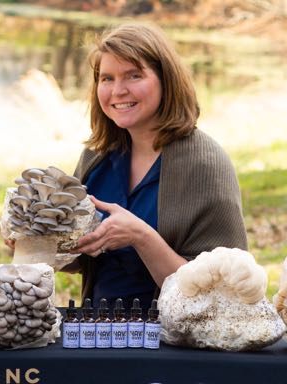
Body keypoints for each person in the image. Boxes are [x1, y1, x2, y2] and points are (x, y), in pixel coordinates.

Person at [63, 22, 248, 311]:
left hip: (174, 345)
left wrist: (141, 237)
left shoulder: (206, 165)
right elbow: (77, 258)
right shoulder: (96, 156)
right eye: (107, 78)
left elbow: (224, 294)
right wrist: (38, 243)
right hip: (97, 332)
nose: (118, 90)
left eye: (133, 75)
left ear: (166, 79)